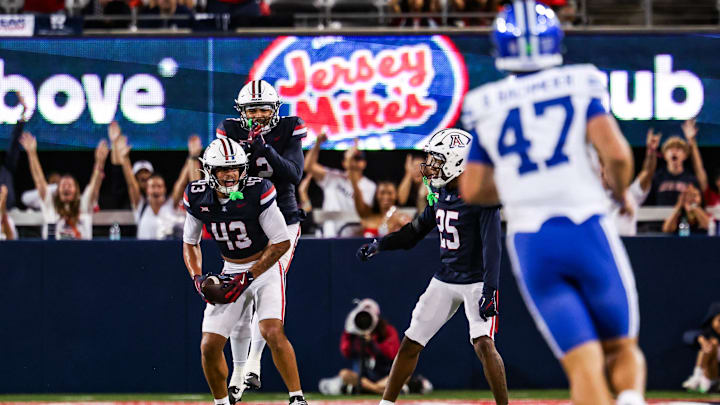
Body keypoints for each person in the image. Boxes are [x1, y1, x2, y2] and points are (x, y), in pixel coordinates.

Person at [459, 2, 645, 405]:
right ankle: (630, 397)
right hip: (585, 226)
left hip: (531, 241)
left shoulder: (485, 103)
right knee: (621, 348)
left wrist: (519, 187)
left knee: (583, 363)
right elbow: (616, 155)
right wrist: (620, 192)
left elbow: (473, 189)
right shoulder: (581, 82)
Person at [357, 128, 509, 405]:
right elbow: (413, 232)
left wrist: (491, 289)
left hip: (476, 280)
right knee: (411, 341)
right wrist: (381, 244)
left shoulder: (480, 195)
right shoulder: (440, 194)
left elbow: (493, 246)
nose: (430, 167)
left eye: (438, 161)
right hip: (446, 278)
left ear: (456, 162)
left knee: (484, 343)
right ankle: (386, 403)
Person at [182, 138, 308, 405]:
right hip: (230, 269)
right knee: (209, 345)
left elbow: (281, 242)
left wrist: (249, 276)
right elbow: (190, 243)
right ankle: (222, 403)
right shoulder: (197, 196)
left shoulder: (257, 191)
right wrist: (198, 278)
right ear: (209, 171)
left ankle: (297, 398)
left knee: (272, 330)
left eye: (236, 168)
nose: (230, 175)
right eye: (223, 170)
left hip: (265, 270)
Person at [215, 79, 306, 402]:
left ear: (274, 111)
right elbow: (227, 180)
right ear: (241, 112)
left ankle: (252, 364)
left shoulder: (289, 128)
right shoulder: (228, 130)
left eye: (262, 109)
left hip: (283, 223)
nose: (256, 115)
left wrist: (264, 147)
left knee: (265, 290)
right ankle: (240, 373)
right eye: (251, 109)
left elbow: (294, 174)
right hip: (248, 221)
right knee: (240, 299)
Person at [114, 125, 201, 239]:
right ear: (147, 189)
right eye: (153, 186)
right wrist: (125, 159)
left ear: (164, 189)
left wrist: (192, 156)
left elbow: (181, 182)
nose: (156, 190)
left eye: (159, 186)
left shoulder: (171, 204)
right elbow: (131, 183)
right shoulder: (140, 206)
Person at [20, 132, 107, 240]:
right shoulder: (50, 205)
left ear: (76, 191)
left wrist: (100, 162)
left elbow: (94, 186)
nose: (66, 187)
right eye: (63, 185)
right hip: (54, 253)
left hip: (82, 253)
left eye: (70, 185)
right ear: (57, 191)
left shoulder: (84, 205)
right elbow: (39, 181)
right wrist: (31, 154)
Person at [318, 299, 402, 395]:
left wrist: (372, 344)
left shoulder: (387, 330)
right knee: (344, 374)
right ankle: (377, 390)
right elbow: (346, 351)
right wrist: (356, 338)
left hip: (384, 377)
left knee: (402, 375)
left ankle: (372, 389)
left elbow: (392, 354)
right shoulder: (354, 331)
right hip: (363, 379)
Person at [304, 134, 376, 237]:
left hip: (351, 237)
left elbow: (364, 212)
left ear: (364, 163)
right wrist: (318, 143)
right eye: (351, 158)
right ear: (344, 163)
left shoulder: (369, 185)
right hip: (327, 234)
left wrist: (352, 174)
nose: (353, 161)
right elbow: (308, 166)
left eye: (357, 158)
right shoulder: (333, 177)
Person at [605, 128, 658, 236]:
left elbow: (647, 172)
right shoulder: (592, 197)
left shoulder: (630, 195)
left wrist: (651, 152)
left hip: (629, 248)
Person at [647, 119, 706, 207]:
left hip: (683, 219)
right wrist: (651, 150)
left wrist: (691, 141)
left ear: (685, 155)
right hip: (662, 219)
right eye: (670, 149)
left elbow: (700, 172)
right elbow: (646, 173)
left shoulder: (691, 179)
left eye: (678, 149)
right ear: (664, 155)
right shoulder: (657, 178)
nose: (674, 151)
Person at [682, 302, 720, 393]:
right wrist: (701, 339)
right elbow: (687, 336)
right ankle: (697, 377)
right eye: (719, 320)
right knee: (712, 343)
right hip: (709, 379)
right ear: (712, 320)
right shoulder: (707, 334)